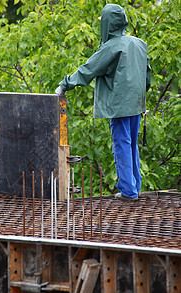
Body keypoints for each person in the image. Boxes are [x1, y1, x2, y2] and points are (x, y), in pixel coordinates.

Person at [55, 4, 151, 200]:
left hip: (120, 106)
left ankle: (128, 191)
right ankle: (134, 187)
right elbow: (147, 76)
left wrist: (65, 85)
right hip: (137, 104)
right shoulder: (139, 43)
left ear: (107, 24)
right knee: (132, 143)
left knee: (121, 143)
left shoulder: (112, 46)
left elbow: (88, 69)